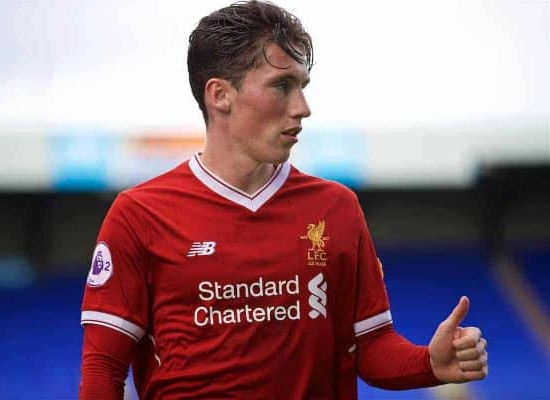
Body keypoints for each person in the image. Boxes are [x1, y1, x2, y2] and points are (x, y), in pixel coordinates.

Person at [79, 1, 488, 398]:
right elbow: (102, 373)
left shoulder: (335, 208)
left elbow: (371, 346)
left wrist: (429, 363)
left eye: (303, 86)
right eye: (282, 86)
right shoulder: (140, 214)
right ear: (220, 95)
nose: (303, 108)